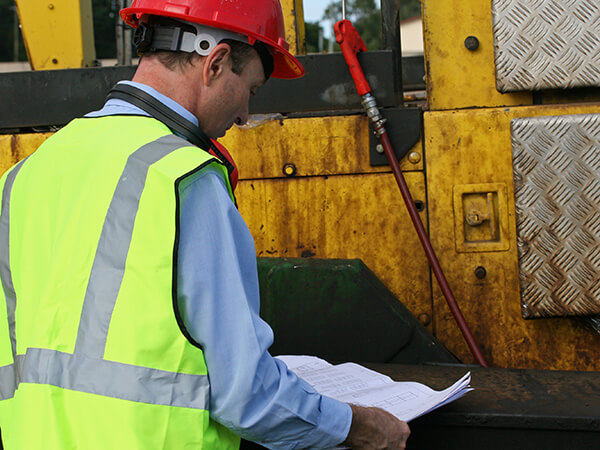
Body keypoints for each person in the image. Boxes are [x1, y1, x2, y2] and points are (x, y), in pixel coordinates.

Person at [0, 0, 410, 448]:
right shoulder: (183, 179)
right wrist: (360, 426)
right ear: (215, 63)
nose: (244, 117)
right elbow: (247, 398)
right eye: (250, 90)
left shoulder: (22, 178)